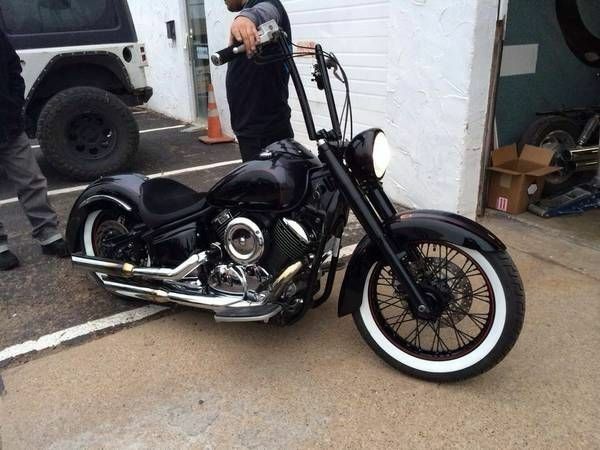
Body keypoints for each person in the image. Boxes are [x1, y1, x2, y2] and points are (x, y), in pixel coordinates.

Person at [0, 29, 68, 271]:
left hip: (7, 122)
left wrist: (14, 105)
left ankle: (48, 235)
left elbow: (13, 69)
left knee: (31, 180)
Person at [224, 0, 293, 162]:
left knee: (269, 185)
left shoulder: (267, 4)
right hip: (252, 130)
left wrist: (246, 18)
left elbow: (266, 11)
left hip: (266, 132)